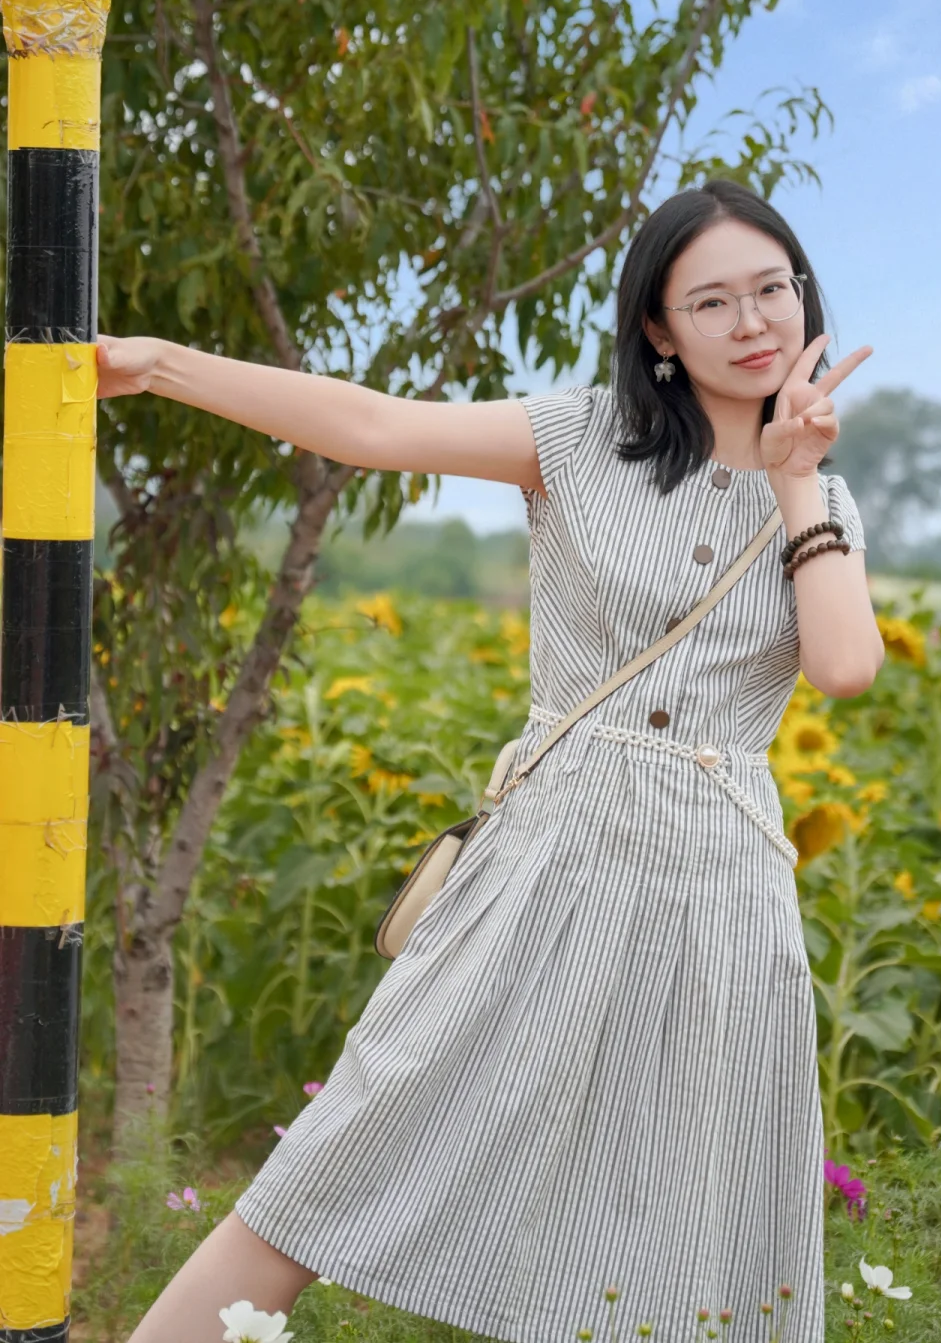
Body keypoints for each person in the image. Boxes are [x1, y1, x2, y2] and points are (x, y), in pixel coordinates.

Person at [106, 177, 883, 1343]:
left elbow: (845, 666)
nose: (753, 321)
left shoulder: (823, 497)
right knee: (354, 1138)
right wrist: (164, 362)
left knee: (690, 1219)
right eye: (712, 300)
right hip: (553, 857)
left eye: (771, 287)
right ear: (660, 331)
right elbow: (373, 426)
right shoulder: (576, 440)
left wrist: (793, 477)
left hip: (721, 890)